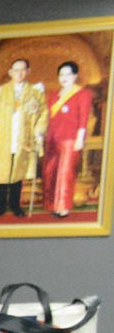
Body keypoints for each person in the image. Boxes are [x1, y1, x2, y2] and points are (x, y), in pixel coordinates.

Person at [0, 57, 47, 219]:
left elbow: (43, 114)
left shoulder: (35, 93)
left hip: (23, 139)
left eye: (22, 70)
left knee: (17, 175)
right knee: (1, 174)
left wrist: (38, 132)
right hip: (2, 139)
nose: (19, 73)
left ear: (28, 71)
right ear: (10, 72)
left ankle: (15, 205)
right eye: (16, 70)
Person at [42, 60, 95, 220]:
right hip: (52, 139)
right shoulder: (53, 95)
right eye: (61, 74)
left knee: (65, 173)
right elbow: (48, 118)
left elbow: (83, 118)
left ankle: (63, 207)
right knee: (50, 172)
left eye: (68, 74)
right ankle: (53, 205)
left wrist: (80, 138)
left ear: (75, 76)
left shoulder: (83, 94)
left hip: (70, 139)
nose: (64, 78)